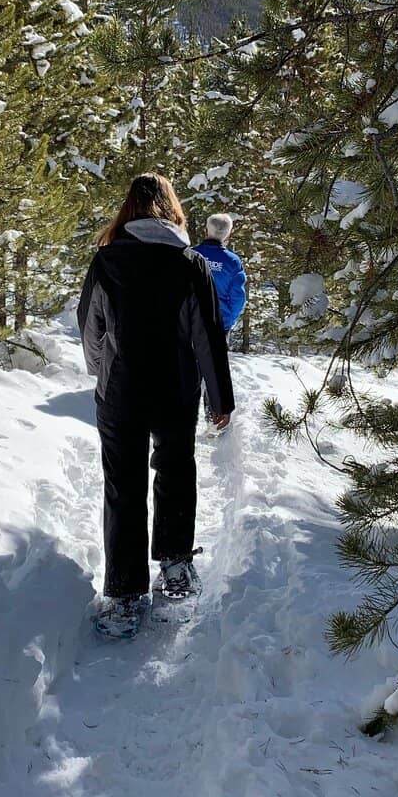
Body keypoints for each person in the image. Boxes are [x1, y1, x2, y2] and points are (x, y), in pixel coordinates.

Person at [77, 173, 235, 638]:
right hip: (175, 387)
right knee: (175, 470)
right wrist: (219, 399)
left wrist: (100, 369)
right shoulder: (189, 262)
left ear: (127, 209)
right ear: (172, 208)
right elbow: (208, 335)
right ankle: (175, 568)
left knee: (122, 483)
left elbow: (90, 326)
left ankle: (124, 593)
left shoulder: (107, 259)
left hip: (120, 389)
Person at [193, 213, 247, 334]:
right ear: (228, 234)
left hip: (191, 321)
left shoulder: (190, 255)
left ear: (206, 231)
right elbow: (238, 297)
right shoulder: (233, 261)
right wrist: (228, 320)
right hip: (219, 322)